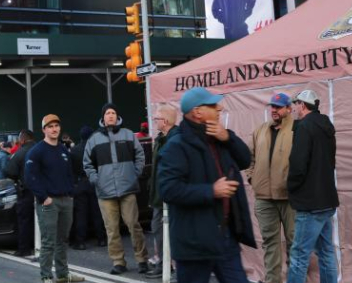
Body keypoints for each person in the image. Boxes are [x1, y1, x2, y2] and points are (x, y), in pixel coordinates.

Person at [157, 87, 256, 283]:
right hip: (194, 244)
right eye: (213, 105)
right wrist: (211, 190)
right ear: (197, 112)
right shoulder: (176, 146)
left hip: (224, 237)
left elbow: (245, 160)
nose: (219, 108)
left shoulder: (220, 138)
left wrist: (228, 138)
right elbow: (168, 189)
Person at [83, 103, 149, 275]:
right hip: (105, 192)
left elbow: (140, 155)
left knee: (134, 225)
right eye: (108, 113)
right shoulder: (94, 139)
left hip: (127, 189)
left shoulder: (128, 134)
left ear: (117, 116)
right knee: (111, 229)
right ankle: (118, 262)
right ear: (103, 118)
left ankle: (142, 260)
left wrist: (134, 173)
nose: (111, 115)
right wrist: (96, 179)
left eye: (113, 112)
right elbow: (87, 164)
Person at [286, 90, 340, 283]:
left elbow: (298, 165)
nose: (294, 108)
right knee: (326, 253)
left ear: (302, 105)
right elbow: (331, 162)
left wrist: (291, 187)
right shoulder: (326, 126)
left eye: (295, 104)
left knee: (299, 255)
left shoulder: (304, 127)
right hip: (327, 199)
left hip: (310, 203)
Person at [24, 114, 84, 283]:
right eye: (50, 126)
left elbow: (70, 174)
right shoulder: (36, 151)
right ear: (44, 130)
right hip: (48, 203)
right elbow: (30, 177)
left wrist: (71, 193)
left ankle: (63, 274)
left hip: (66, 200)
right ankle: (46, 276)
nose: (54, 129)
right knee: (49, 241)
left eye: (56, 125)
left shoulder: (63, 150)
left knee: (63, 240)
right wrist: (44, 197)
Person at [247, 93, 296, 283]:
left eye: (278, 106)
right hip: (264, 198)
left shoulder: (297, 129)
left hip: (290, 198)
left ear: (288, 109)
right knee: (270, 243)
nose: (274, 110)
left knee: (294, 243)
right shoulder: (260, 130)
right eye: (272, 106)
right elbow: (249, 158)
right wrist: (252, 178)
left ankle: (295, 280)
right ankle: (272, 280)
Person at [145, 104, 180, 279]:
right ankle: (164, 263)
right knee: (157, 228)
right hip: (159, 194)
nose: (154, 121)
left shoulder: (175, 140)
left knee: (169, 230)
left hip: (169, 196)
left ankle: (170, 265)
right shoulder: (160, 139)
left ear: (165, 121)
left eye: (157, 118)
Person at [70, 126, 106, 250]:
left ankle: (80, 241)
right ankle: (101, 239)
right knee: (97, 212)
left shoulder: (74, 150)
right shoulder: (95, 149)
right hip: (94, 182)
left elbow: (71, 170)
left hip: (80, 183)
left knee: (81, 214)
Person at [5, 129, 36, 258]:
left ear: (22, 140)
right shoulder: (41, 149)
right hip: (45, 190)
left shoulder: (20, 153)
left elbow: (10, 172)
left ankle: (24, 249)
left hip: (26, 191)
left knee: (24, 220)